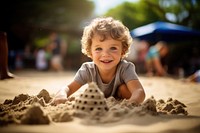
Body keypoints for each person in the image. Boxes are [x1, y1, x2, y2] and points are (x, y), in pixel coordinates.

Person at [51, 17, 145, 105]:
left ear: (123, 50)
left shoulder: (125, 68)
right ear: (90, 52)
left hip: (120, 99)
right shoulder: (88, 69)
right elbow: (68, 88)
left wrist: (132, 104)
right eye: (99, 49)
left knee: (123, 88)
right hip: (96, 100)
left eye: (113, 48)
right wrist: (62, 94)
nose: (105, 54)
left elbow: (139, 91)